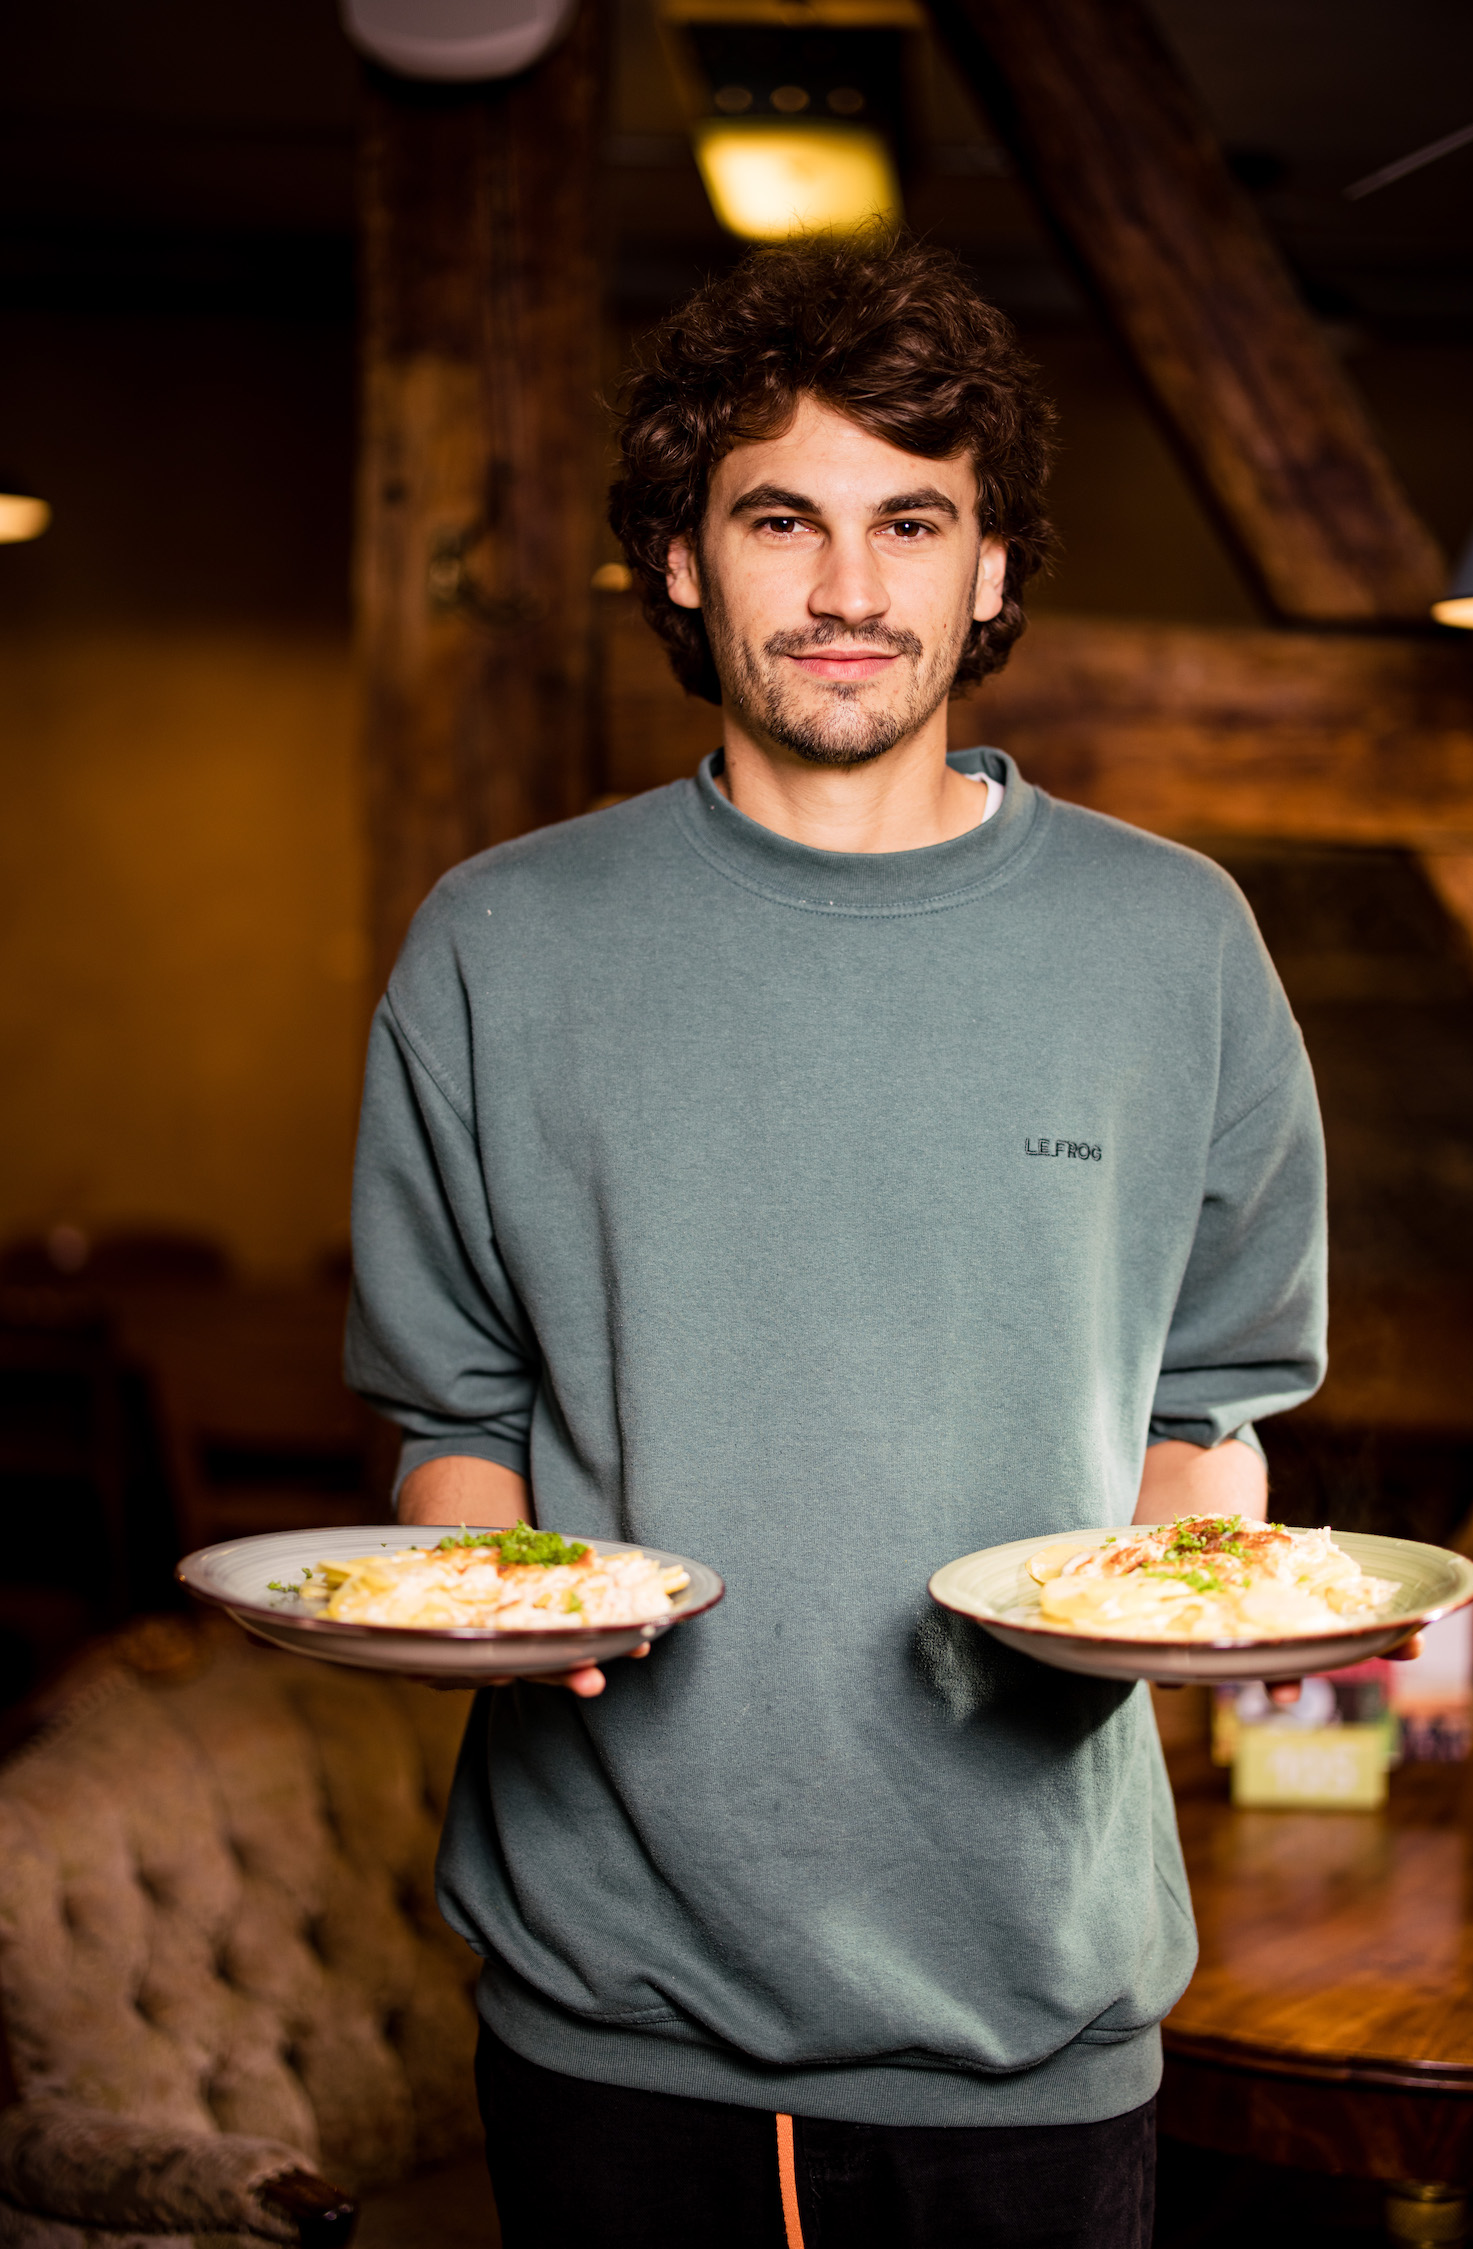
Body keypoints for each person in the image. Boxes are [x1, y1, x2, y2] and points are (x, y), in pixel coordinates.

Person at [345, 233, 1327, 2248]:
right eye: (784, 518)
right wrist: (495, 1596)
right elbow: (456, 1415)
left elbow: (1214, 1401)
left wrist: (1191, 1577)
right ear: (688, 563)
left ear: (993, 568)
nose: (857, 591)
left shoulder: (1175, 942)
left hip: (1030, 2003)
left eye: (916, 521)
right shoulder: (499, 942)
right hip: (610, 2002)